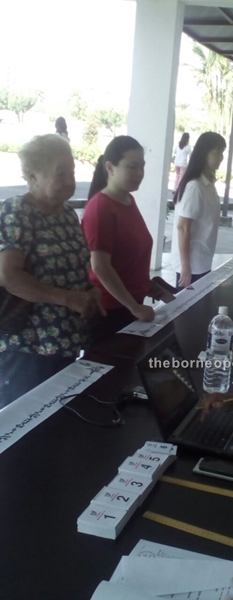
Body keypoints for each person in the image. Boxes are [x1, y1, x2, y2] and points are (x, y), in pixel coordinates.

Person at [0, 134, 104, 407]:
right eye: (61, 173)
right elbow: (10, 277)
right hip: (30, 347)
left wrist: (89, 291)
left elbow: (73, 267)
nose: (70, 180)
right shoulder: (17, 212)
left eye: (71, 171)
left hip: (67, 340)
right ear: (33, 176)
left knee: (58, 423)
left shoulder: (68, 214)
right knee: (23, 427)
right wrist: (68, 299)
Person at [82, 136, 157, 344]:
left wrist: (148, 286)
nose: (140, 173)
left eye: (142, 167)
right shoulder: (100, 208)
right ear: (110, 167)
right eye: (132, 167)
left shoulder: (127, 199)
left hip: (130, 305)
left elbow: (128, 255)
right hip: (110, 311)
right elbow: (100, 267)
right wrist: (133, 306)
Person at [171, 132, 226, 291]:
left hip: (202, 261)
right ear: (204, 154)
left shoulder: (208, 183)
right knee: (187, 312)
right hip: (192, 265)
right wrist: (185, 266)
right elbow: (183, 228)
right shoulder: (195, 186)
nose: (220, 158)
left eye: (222, 153)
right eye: (216, 153)